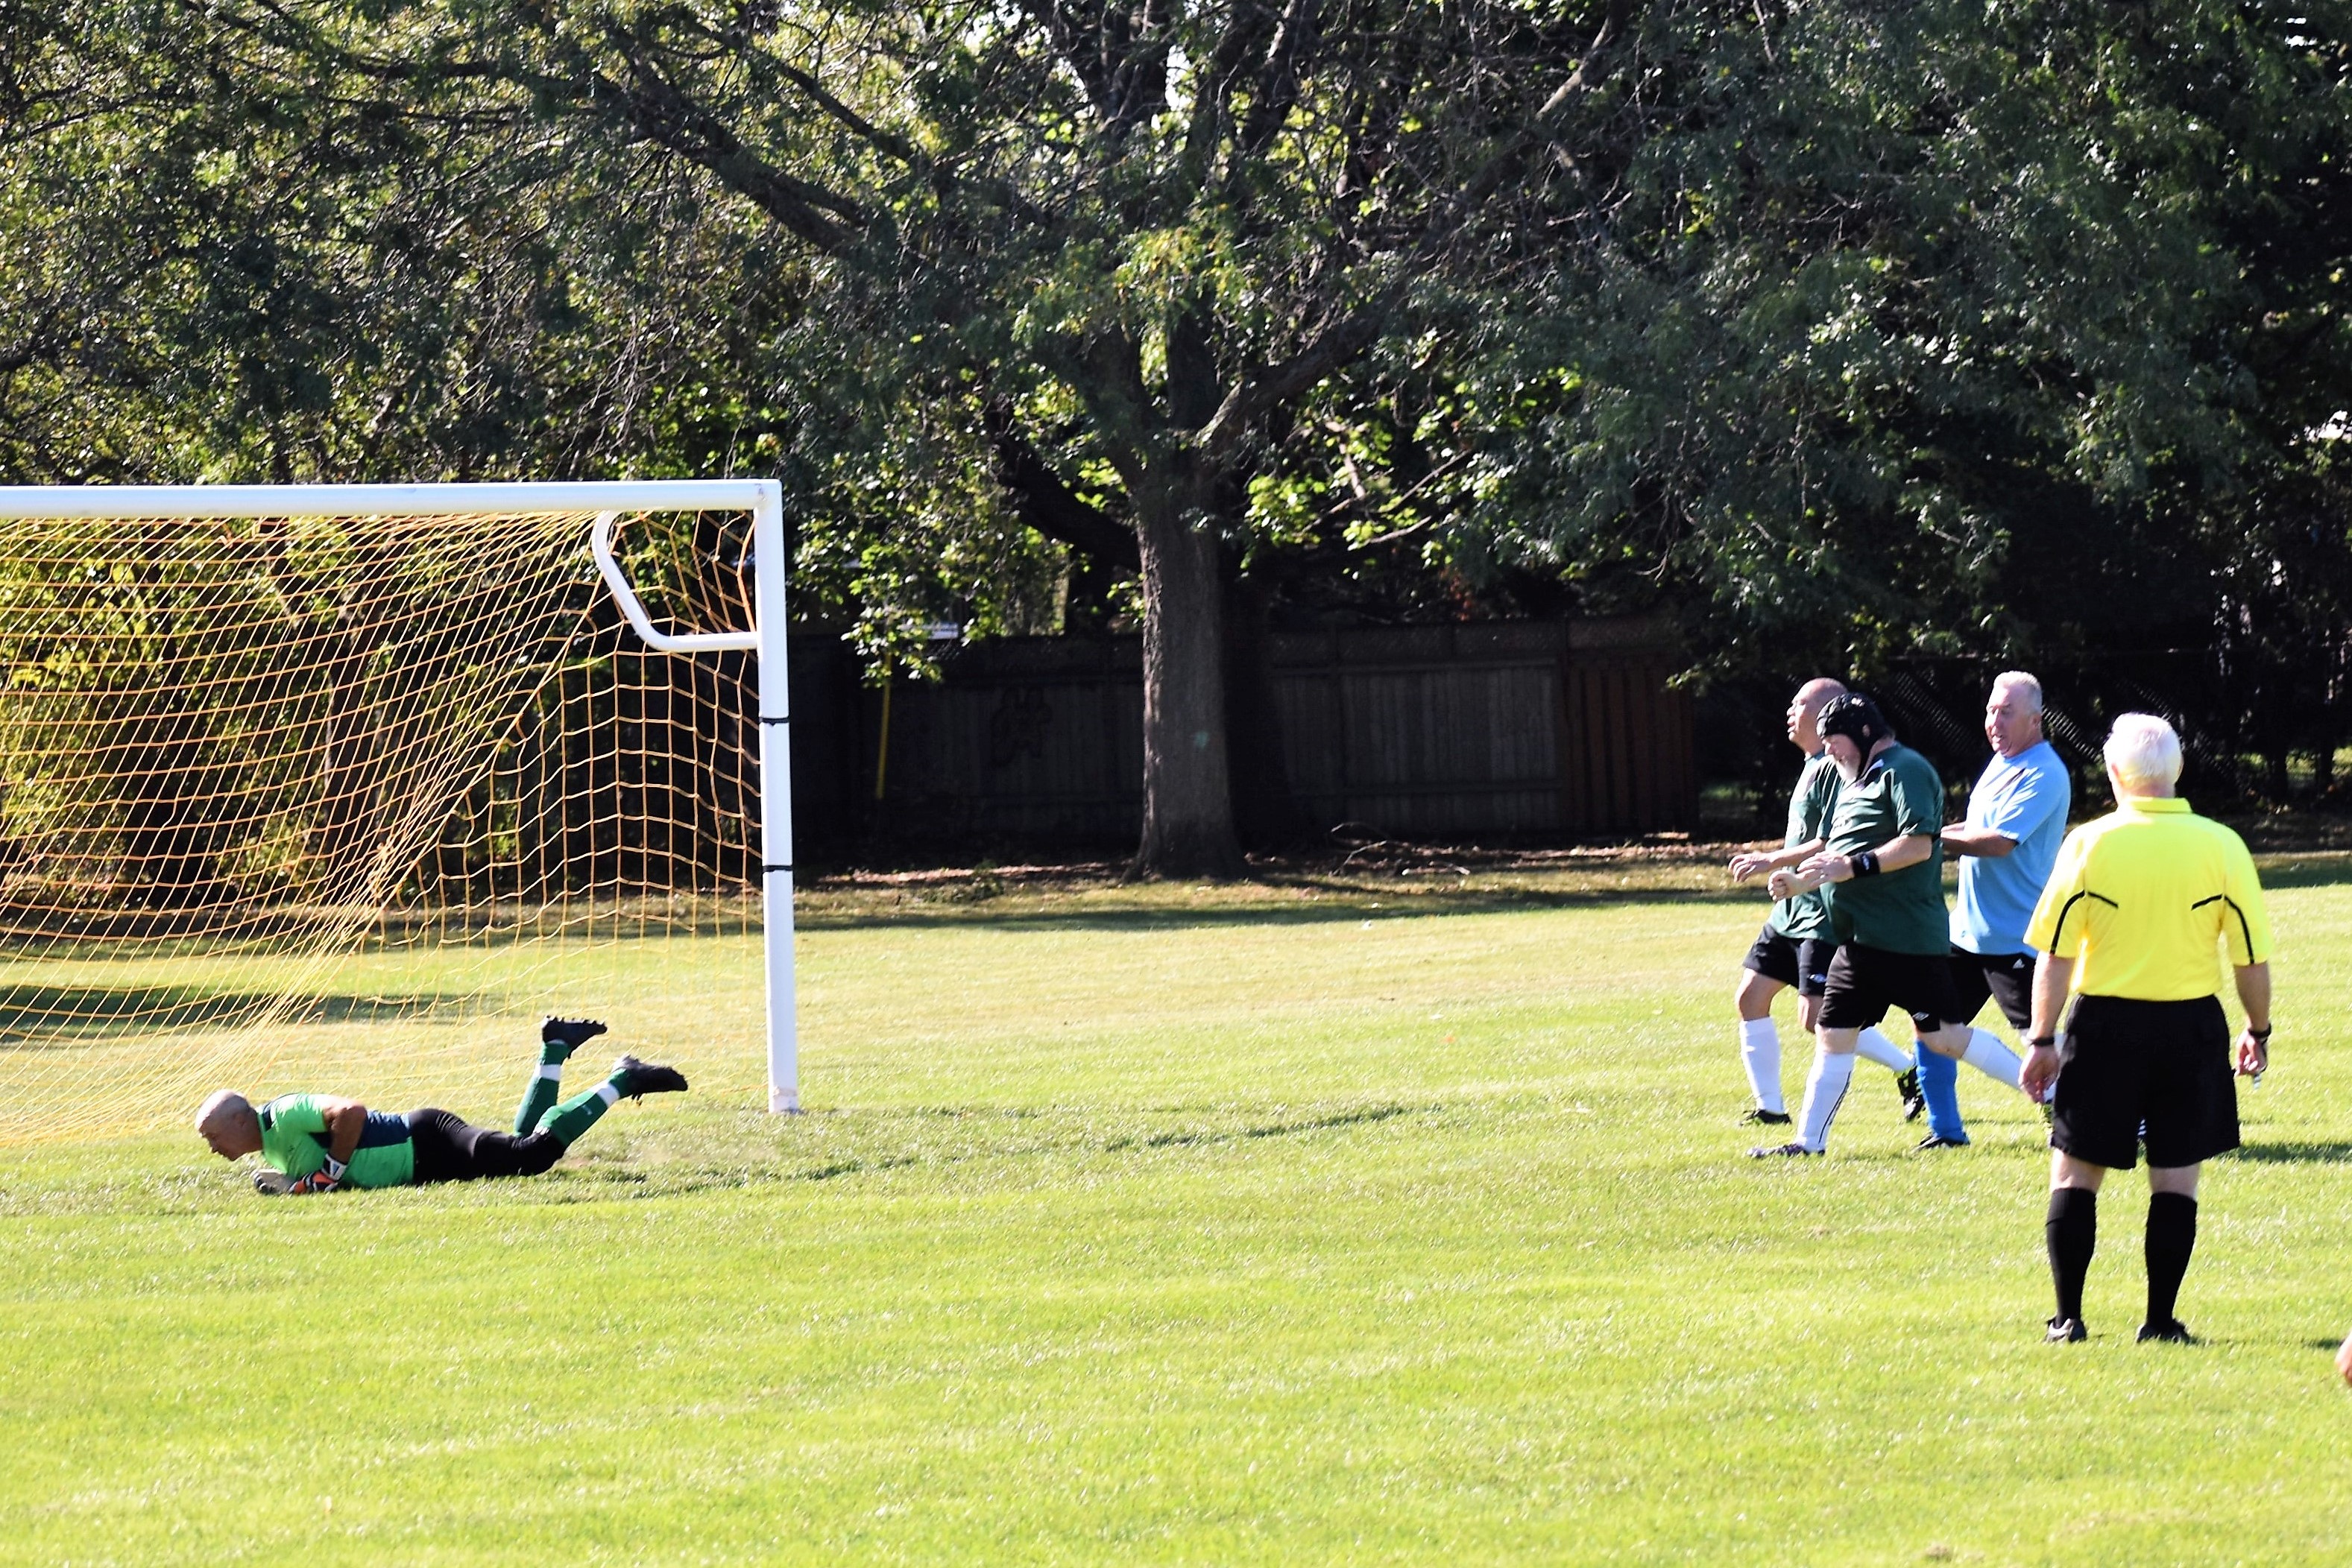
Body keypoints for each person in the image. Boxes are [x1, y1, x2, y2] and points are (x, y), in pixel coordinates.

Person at [2020, 714, 2271, 1344]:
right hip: (2190, 1027)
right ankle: (2159, 1321)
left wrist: (2042, 1039)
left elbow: (2054, 954)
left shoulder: (2088, 844)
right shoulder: (2221, 845)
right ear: (2177, 770)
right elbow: (2249, 958)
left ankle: (2067, 1318)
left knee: (2074, 1173)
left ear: (2112, 772)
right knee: (2176, 1178)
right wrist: (2257, 1030)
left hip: (2102, 1026)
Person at [1750, 693, 2029, 1157]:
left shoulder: (1906, 770)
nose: (1828, 750)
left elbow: (1919, 844)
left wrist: (1851, 867)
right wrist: (1799, 882)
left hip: (1906, 941)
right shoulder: (1855, 780)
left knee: (1945, 1038)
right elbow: (1838, 854)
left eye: (1833, 740)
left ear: (1863, 734)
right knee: (1832, 1034)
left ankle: (2055, 1095)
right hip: (1859, 941)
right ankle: (1807, 1143)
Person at [1727, 677, 1920, 1126]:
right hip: (1789, 912)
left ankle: (1908, 1068)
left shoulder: (1837, 768)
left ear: (1827, 715)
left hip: (1819, 911)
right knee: (1751, 998)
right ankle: (1771, 1109)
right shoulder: (1814, 764)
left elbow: (1831, 841)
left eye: (1801, 705)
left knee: (1817, 1017)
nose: (1791, 712)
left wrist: (1772, 860)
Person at [194, 1017, 688, 1192]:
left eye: (214, 1136)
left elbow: (351, 1113)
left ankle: (622, 1079)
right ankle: (556, 1047)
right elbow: (324, 1179)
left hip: (426, 1139)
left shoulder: (282, 1114)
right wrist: (300, 1184)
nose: (213, 1148)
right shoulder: (271, 1148)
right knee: (519, 1150)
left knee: (533, 1155)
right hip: (426, 1165)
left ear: (239, 1120)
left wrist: (331, 1171)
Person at [1908, 672, 2072, 1149]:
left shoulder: (2045, 772)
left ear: (2035, 720)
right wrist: (1921, 834)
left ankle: (2107, 1113)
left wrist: (1926, 841)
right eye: (1990, 711)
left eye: (2005, 712)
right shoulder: (2002, 762)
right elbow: (1974, 826)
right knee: (1931, 1024)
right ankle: (1946, 1131)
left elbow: (1999, 842)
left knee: (2039, 1038)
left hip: (2016, 935)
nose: (1993, 721)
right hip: (1967, 934)